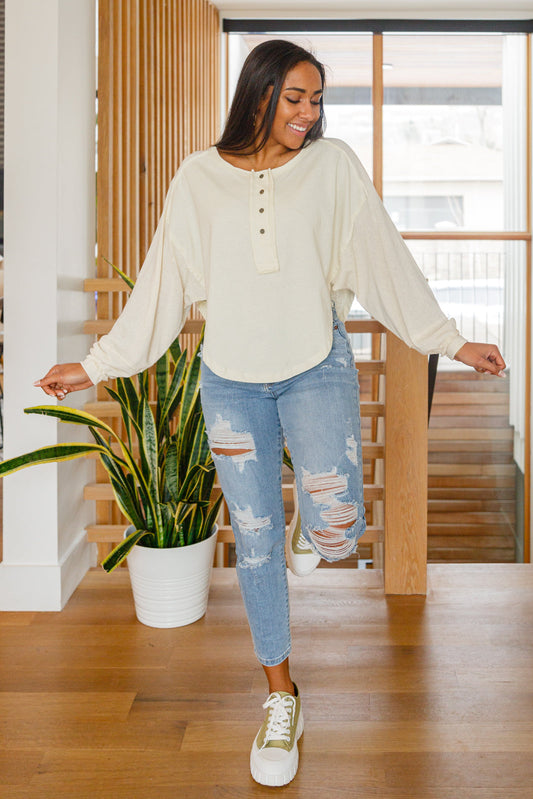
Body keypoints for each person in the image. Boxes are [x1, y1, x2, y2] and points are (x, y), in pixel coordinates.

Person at [34, 40, 506, 787]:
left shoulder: (332, 167)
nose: (308, 113)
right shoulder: (197, 178)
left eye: (316, 100)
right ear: (257, 94)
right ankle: (281, 697)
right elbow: (161, 285)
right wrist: (92, 367)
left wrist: (450, 339)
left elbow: (383, 258)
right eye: (295, 98)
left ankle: (309, 521)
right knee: (254, 546)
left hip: (316, 365)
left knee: (338, 529)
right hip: (230, 383)